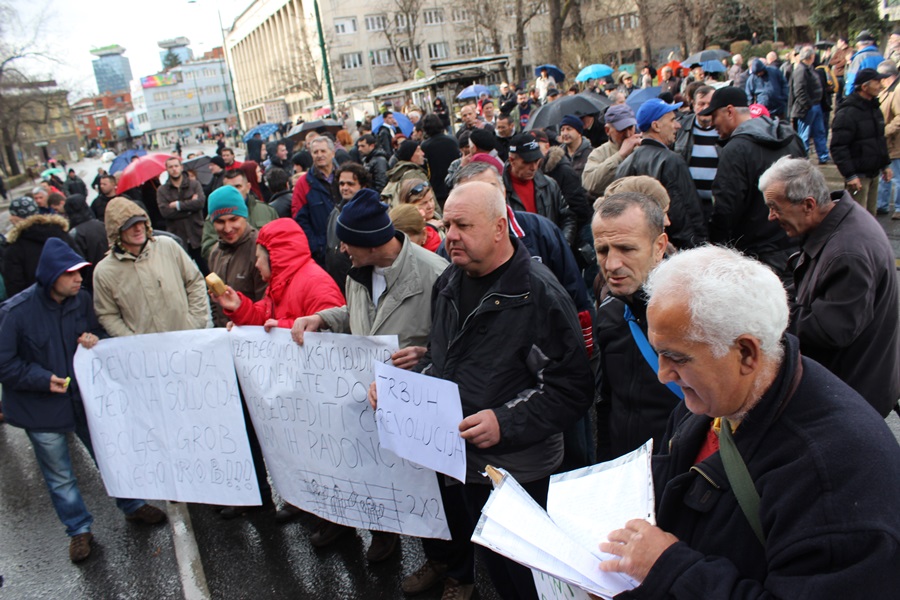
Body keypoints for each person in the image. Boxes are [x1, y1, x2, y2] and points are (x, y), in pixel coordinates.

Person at [598, 245, 900, 600]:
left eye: (676, 357)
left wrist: (667, 567)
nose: (663, 375)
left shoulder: (835, 476)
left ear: (746, 352)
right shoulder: (719, 395)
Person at [374, 181, 592, 600]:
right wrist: (399, 387)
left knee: (534, 581)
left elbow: (571, 389)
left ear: (498, 228)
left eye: (463, 225)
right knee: (501, 572)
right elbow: (446, 363)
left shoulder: (539, 294)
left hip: (521, 473)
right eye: (447, 223)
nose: (450, 234)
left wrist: (504, 422)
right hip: (468, 466)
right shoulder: (451, 282)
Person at [291, 188, 449, 563]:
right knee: (380, 472)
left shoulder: (435, 275)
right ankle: (387, 533)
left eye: (348, 243)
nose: (342, 250)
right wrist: (325, 318)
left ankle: (449, 570)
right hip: (374, 397)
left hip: (421, 405)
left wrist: (426, 356)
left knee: (432, 493)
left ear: (371, 242)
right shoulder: (359, 272)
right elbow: (359, 314)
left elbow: (456, 342)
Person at [0, 239, 167, 564]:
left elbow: (93, 334)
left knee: (109, 453)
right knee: (60, 475)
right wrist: (40, 379)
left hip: (84, 400)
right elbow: (4, 364)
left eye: (81, 272)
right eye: (72, 273)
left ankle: (132, 505)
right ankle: (78, 530)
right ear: (52, 276)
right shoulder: (15, 313)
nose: (80, 278)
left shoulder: (81, 300)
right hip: (41, 409)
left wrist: (94, 339)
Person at [759, 156, 899, 416]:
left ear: (808, 204)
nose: (771, 217)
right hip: (854, 384)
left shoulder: (847, 252)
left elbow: (831, 330)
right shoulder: (838, 221)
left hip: (852, 393)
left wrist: (768, 310)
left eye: (775, 207)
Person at [592, 191, 678, 461]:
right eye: (602, 250)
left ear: (659, 246)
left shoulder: (696, 314)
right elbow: (606, 402)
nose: (612, 264)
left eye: (627, 249)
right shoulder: (609, 313)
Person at [699, 86, 805, 279]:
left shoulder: (736, 149)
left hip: (757, 256)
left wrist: (716, 248)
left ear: (729, 111)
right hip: (796, 246)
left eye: (714, 116)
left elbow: (726, 207)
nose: (712, 124)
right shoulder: (789, 137)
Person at [92, 198, 209, 337]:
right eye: (129, 225)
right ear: (116, 231)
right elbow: (107, 314)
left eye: (141, 221)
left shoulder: (168, 246)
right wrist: (131, 341)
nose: (138, 228)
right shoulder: (105, 271)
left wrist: (195, 322)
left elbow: (195, 281)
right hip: (146, 353)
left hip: (186, 339)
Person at [210, 218, 344, 330]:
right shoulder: (281, 283)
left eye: (258, 258)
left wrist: (281, 328)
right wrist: (239, 306)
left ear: (273, 257)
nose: (256, 265)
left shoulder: (317, 283)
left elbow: (330, 332)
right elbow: (264, 317)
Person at [616, 99, 707, 250]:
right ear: (656, 126)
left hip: (640, 250)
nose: (677, 125)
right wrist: (697, 249)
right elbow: (685, 214)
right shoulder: (671, 161)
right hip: (673, 253)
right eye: (672, 120)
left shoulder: (626, 164)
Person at [830, 68, 893, 216]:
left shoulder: (874, 108)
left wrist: (885, 164)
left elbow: (880, 138)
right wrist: (850, 175)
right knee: (856, 219)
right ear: (864, 87)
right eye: (877, 82)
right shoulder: (847, 112)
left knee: (871, 218)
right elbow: (838, 147)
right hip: (859, 176)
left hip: (873, 173)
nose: (880, 85)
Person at [504, 133, 578, 247]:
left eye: (536, 160)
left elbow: (568, 218)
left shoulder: (549, 185)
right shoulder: (499, 190)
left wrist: (562, 244)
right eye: (527, 162)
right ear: (512, 160)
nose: (533, 167)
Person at [200, 168, 278, 260]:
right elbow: (208, 248)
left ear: (248, 187)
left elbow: (278, 241)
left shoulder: (266, 210)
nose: (234, 192)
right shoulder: (215, 216)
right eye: (230, 188)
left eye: (238, 186)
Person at [2, 207, 81, 298]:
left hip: (32, 303)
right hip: (68, 296)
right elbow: (79, 261)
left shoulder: (15, 246)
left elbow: (14, 283)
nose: (10, 218)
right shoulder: (61, 233)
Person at [674, 85, 719, 223]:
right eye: (701, 103)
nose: (705, 108)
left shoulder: (724, 129)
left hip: (717, 203)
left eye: (709, 104)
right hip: (689, 203)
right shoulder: (681, 128)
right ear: (693, 105)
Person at [291, 136, 340, 266]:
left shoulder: (344, 176)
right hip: (323, 254)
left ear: (332, 152)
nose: (319, 155)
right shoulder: (304, 184)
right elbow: (300, 220)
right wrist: (317, 247)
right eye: (315, 152)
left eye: (323, 151)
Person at [156, 156, 207, 273]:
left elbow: (200, 203)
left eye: (176, 166)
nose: (174, 169)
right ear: (167, 170)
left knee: (207, 271)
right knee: (186, 274)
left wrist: (178, 205)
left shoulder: (194, 184)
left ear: (181, 167)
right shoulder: (162, 190)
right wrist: (190, 207)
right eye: (170, 167)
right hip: (178, 237)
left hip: (197, 234)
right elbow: (165, 212)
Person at [582, 104, 642, 198]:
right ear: (607, 130)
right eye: (621, 130)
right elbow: (589, 184)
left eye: (630, 128)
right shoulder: (599, 153)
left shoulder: (641, 148)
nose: (627, 134)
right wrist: (619, 156)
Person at [789, 47, 830, 163]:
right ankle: (803, 157)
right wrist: (807, 105)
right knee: (805, 135)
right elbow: (799, 91)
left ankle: (823, 155)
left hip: (815, 105)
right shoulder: (801, 70)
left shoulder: (809, 68)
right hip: (808, 108)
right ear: (811, 57)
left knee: (819, 132)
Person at [877, 59, 900, 218]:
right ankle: (882, 205)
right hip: (887, 143)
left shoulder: (897, 91)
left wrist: (885, 131)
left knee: (897, 177)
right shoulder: (888, 90)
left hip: (895, 142)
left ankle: (898, 208)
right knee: (884, 176)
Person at [398, 178, 443, 252]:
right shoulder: (407, 229)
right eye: (424, 203)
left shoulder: (438, 217)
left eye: (431, 200)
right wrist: (430, 228)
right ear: (409, 205)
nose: (430, 206)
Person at [844, 30, 883, 96]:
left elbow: (852, 78)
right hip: (878, 92)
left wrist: (848, 95)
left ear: (858, 45)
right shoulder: (880, 56)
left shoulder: (859, 58)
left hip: (863, 94)